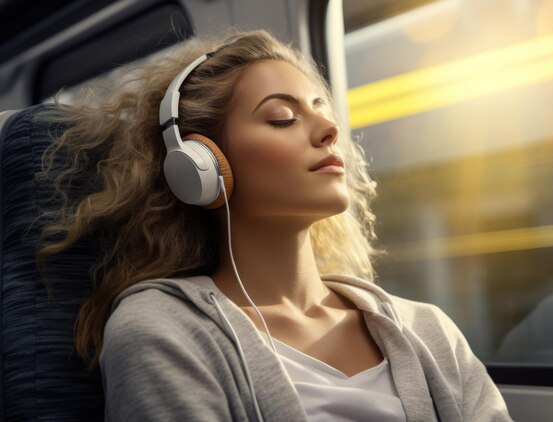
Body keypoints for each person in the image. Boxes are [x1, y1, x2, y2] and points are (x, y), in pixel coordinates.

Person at [36, 30, 512, 421]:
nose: (329, 131)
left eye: (322, 108)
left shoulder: (428, 330)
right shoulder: (163, 329)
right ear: (201, 164)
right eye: (282, 118)